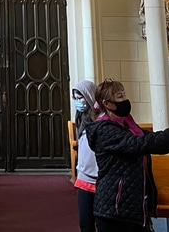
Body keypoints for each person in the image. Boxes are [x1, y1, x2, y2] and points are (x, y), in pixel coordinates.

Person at [85, 78, 169, 232]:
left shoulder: (127, 125)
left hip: (133, 205)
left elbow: (151, 144)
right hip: (114, 208)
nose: (125, 100)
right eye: (120, 96)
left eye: (124, 94)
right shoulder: (104, 130)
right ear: (107, 104)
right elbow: (140, 144)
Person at [71, 80, 98, 232]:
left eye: (80, 97)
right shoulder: (80, 119)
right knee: (85, 223)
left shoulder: (100, 120)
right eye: (75, 98)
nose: (78, 102)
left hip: (99, 178)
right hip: (84, 178)